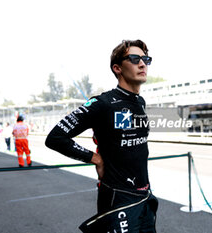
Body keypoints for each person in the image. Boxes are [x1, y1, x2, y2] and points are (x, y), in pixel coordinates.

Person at [45, 39, 158, 233]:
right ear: (117, 68)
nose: (142, 64)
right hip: (118, 197)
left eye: (145, 59)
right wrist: (95, 158)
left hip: (145, 196)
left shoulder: (140, 101)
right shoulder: (102, 103)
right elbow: (56, 138)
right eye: (134, 58)